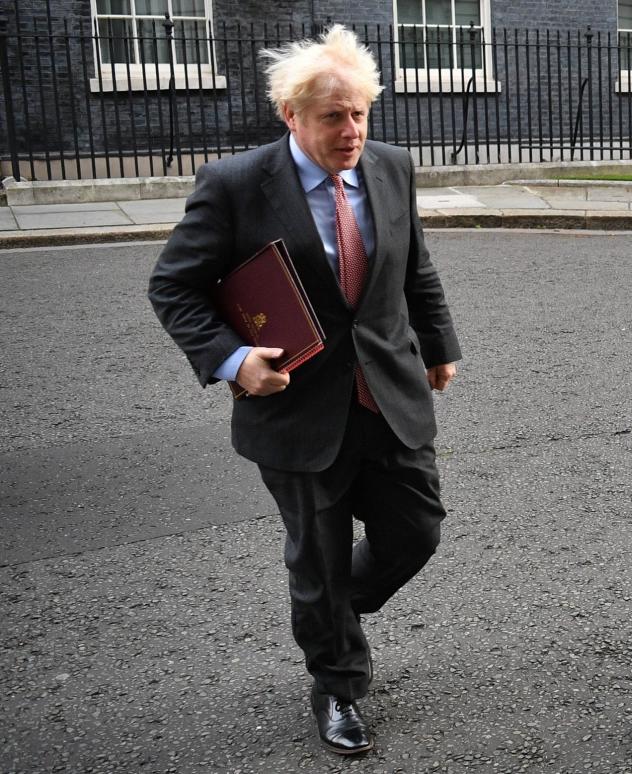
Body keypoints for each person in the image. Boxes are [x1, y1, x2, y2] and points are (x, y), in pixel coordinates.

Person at [149, 25, 461, 756]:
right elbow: (174, 285)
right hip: (295, 407)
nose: (351, 131)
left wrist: (439, 345)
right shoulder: (234, 185)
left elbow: (415, 266)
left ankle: (326, 617)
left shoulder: (391, 167)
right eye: (332, 117)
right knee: (317, 557)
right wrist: (231, 361)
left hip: (386, 392)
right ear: (292, 116)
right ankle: (339, 685)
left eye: (359, 114)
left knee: (416, 531)